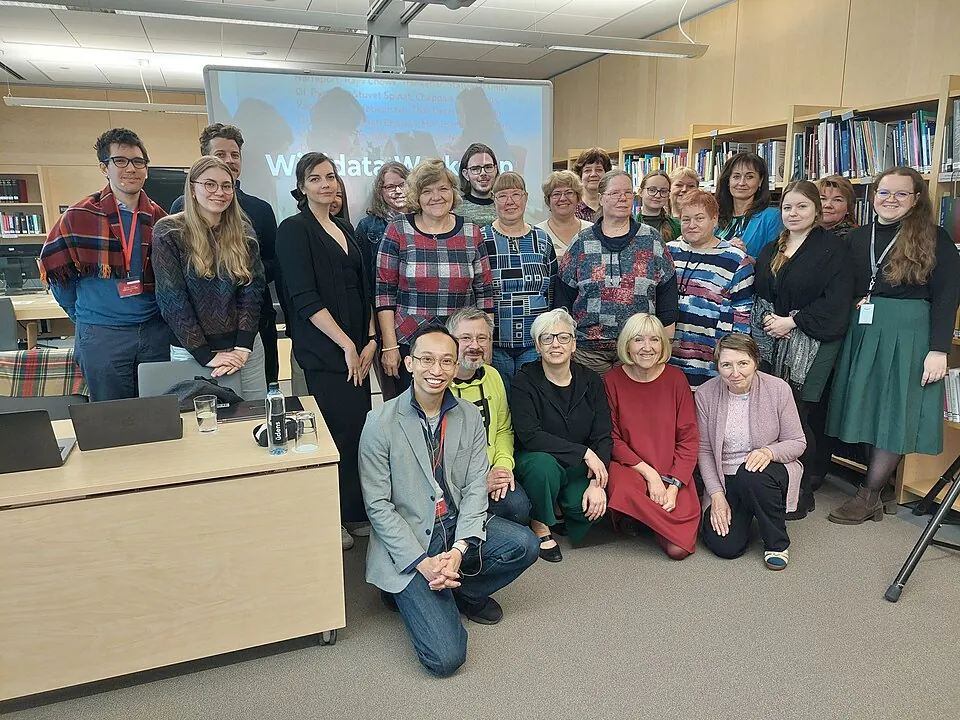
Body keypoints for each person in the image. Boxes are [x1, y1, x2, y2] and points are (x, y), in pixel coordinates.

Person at [359, 326, 539, 677]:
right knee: (445, 659)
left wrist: (457, 553)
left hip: (453, 523)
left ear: (457, 367)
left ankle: (463, 589)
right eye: (426, 360)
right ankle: (405, 589)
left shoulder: (468, 416)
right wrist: (424, 564)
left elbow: (475, 487)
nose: (436, 370)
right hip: (412, 539)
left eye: (446, 361)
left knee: (525, 544)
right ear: (409, 363)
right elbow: (378, 506)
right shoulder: (379, 423)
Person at [826, 167, 960, 525]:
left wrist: (939, 349)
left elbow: (948, 295)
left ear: (917, 199)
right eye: (884, 192)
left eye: (901, 194)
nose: (890, 200)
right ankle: (880, 486)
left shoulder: (934, 237)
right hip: (865, 331)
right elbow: (843, 282)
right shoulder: (857, 237)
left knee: (894, 410)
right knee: (869, 406)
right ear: (873, 196)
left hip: (910, 333)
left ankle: (868, 494)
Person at [276, 152, 378, 550]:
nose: (325, 184)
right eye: (315, 178)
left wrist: (369, 340)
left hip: (358, 349)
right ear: (302, 187)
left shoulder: (344, 228)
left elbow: (364, 289)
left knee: (356, 433)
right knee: (327, 435)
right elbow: (303, 297)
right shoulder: (293, 230)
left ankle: (353, 511)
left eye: (331, 177)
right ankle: (328, 514)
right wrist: (347, 344)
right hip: (325, 351)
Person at [39, 128, 170, 402]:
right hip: (102, 335)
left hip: (154, 331)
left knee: (162, 417)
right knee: (113, 423)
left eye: (138, 161)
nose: (131, 169)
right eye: (120, 161)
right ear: (104, 167)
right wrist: (88, 316)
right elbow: (58, 276)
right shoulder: (79, 216)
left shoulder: (161, 219)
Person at [751, 180, 852, 519]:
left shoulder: (833, 250)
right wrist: (771, 324)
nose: (793, 213)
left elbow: (836, 302)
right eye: (788, 208)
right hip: (771, 341)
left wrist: (791, 323)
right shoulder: (771, 248)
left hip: (813, 344)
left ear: (816, 210)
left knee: (798, 415)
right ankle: (775, 484)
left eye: (802, 207)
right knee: (772, 414)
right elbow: (761, 293)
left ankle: (802, 491)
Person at [170, 123, 280, 385]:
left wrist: (235, 278)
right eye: (221, 154)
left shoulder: (257, 212)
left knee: (259, 400)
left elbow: (270, 267)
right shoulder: (177, 216)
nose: (229, 161)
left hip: (250, 327)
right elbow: (172, 290)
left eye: (235, 155)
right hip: (198, 336)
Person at [376, 158, 495, 392]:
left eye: (443, 189)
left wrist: (486, 342)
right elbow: (384, 293)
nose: (436, 196)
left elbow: (485, 293)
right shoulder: (398, 230)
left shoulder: (471, 232)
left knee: (457, 416)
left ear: (453, 192)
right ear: (417, 197)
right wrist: (389, 346)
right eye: (427, 191)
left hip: (459, 345)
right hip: (410, 345)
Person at [153, 157, 266, 400]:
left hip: (245, 350)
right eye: (210, 184)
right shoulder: (169, 232)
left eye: (227, 185)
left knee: (254, 419)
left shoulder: (243, 231)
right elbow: (172, 299)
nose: (220, 192)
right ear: (193, 188)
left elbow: (252, 291)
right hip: (192, 351)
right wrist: (205, 354)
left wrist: (243, 347)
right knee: (202, 427)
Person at [696, 333, 806, 570]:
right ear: (718, 367)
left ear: (756, 361)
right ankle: (750, 510)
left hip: (766, 471)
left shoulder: (778, 389)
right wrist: (716, 495)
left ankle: (776, 543)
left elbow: (797, 442)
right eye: (726, 365)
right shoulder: (705, 394)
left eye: (743, 363)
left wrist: (768, 452)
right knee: (725, 547)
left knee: (751, 475)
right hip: (727, 478)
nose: (735, 373)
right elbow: (704, 450)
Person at [511, 308, 612, 563]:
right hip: (537, 460)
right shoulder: (523, 381)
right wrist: (584, 453)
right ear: (537, 346)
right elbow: (530, 435)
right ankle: (541, 525)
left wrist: (596, 483)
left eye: (563, 337)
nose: (556, 344)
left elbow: (603, 433)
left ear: (574, 344)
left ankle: (559, 507)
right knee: (542, 467)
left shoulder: (592, 381)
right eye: (547, 338)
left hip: (578, 466)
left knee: (591, 508)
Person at [556, 170, 679, 376]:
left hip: (639, 349)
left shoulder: (651, 239)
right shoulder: (581, 242)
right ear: (601, 198)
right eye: (614, 193)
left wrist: (665, 346)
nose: (622, 198)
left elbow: (667, 295)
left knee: (634, 407)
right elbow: (563, 299)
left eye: (627, 193)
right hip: (588, 351)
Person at [603, 314, 699, 559]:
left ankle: (645, 518)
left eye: (655, 340)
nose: (647, 347)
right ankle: (643, 515)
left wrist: (675, 486)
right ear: (626, 345)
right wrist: (650, 475)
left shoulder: (677, 379)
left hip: (672, 468)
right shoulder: (611, 381)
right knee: (623, 488)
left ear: (663, 345)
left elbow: (688, 439)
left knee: (678, 550)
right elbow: (612, 438)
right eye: (638, 340)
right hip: (632, 468)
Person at [447, 307, 531, 526]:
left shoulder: (493, 376)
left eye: (482, 338)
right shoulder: (438, 382)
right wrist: (478, 482)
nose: (475, 345)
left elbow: (504, 429)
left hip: (490, 469)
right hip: (451, 481)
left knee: (518, 509)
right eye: (465, 338)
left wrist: (502, 466)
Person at [668, 190, 754, 388]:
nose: (691, 225)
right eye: (686, 219)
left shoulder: (736, 260)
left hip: (711, 362)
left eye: (699, 218)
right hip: (669, 359)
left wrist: (732, 359)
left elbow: (743, 315)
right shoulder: (668, 252)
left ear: (714, 220)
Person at [482, 172, 558, 394]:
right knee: (500, 404)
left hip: (536, 344)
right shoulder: (482, 239)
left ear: (525, 198)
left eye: (516, 194)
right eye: (503, 195)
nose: (510, 201)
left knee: (534, 404)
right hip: (495, 345)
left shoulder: (542, 239)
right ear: (494, 200)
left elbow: (552, 289)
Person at [355, 161, 409, 402]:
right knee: (394, 392)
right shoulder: (368, 226)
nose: (397, 191)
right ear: (380, 191)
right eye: (390, 187)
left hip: (416, 313)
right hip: (384, 318)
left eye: (402, 184)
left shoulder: (425, 220)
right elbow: (364, 280)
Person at [715, 151, 783, 258]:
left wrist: (744, 257)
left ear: (760, 181)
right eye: (736, 176)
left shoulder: (772, 217)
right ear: (728, 181)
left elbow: (775, 262)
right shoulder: (715, 215)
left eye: (749, 177)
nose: (741, 183)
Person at [535, 170, 592, 258]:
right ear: (548, 200)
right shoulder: (537, 233)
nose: (562, 198)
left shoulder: (592, 231)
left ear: (578, 197)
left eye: (569, 193)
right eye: (556, 194)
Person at [456, 143, 499, 227]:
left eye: (488, 167)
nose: (483, 173)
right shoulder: (455, 209)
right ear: (466, 174)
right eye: (475, 169)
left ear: (495, 170)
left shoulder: (505, 205)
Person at [638, 170, 681, 242]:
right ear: (640, 192)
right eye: (652, 190)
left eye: (663, 191)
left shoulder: (678, 227)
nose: (658, 195)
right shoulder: (629, 226)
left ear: (669, 194)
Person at [573, 147, 612, 222]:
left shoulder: (614, 206)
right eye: (587, 170)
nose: (593, 174)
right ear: (580, 175)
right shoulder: (572, 209)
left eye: (598, 170)